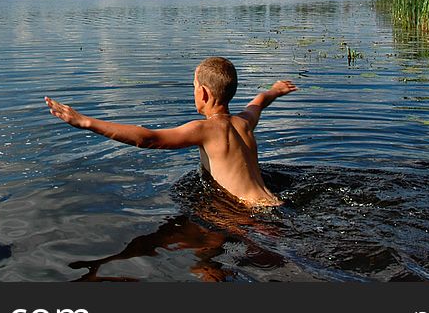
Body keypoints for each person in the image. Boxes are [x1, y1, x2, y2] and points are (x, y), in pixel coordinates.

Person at [44, 56, 297, 208]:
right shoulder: (244, 122)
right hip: (274, 204)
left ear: (204, 93)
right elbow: (259, 101)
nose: (193, 91)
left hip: (247, 213)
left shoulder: (204, 129)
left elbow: (148, 138)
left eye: (194, 86)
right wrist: (276, 89)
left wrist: (85, 121)